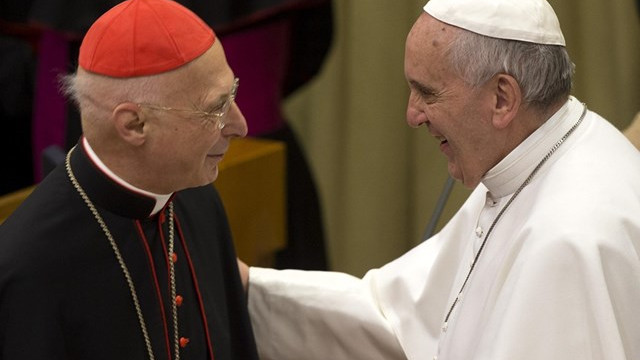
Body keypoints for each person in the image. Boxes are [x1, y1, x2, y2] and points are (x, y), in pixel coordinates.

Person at [239, 0, 640, 359]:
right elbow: (400, 321)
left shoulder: (568, 240)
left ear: (502, 98)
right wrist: (246, 289)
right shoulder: (529, 158)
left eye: (427, 93)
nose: (412, 116)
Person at [0, 0, 259, 359]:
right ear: (134, 125)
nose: (240, 125)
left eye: (232, 93)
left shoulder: (198, 198)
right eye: (215, 107)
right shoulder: (24, 268)